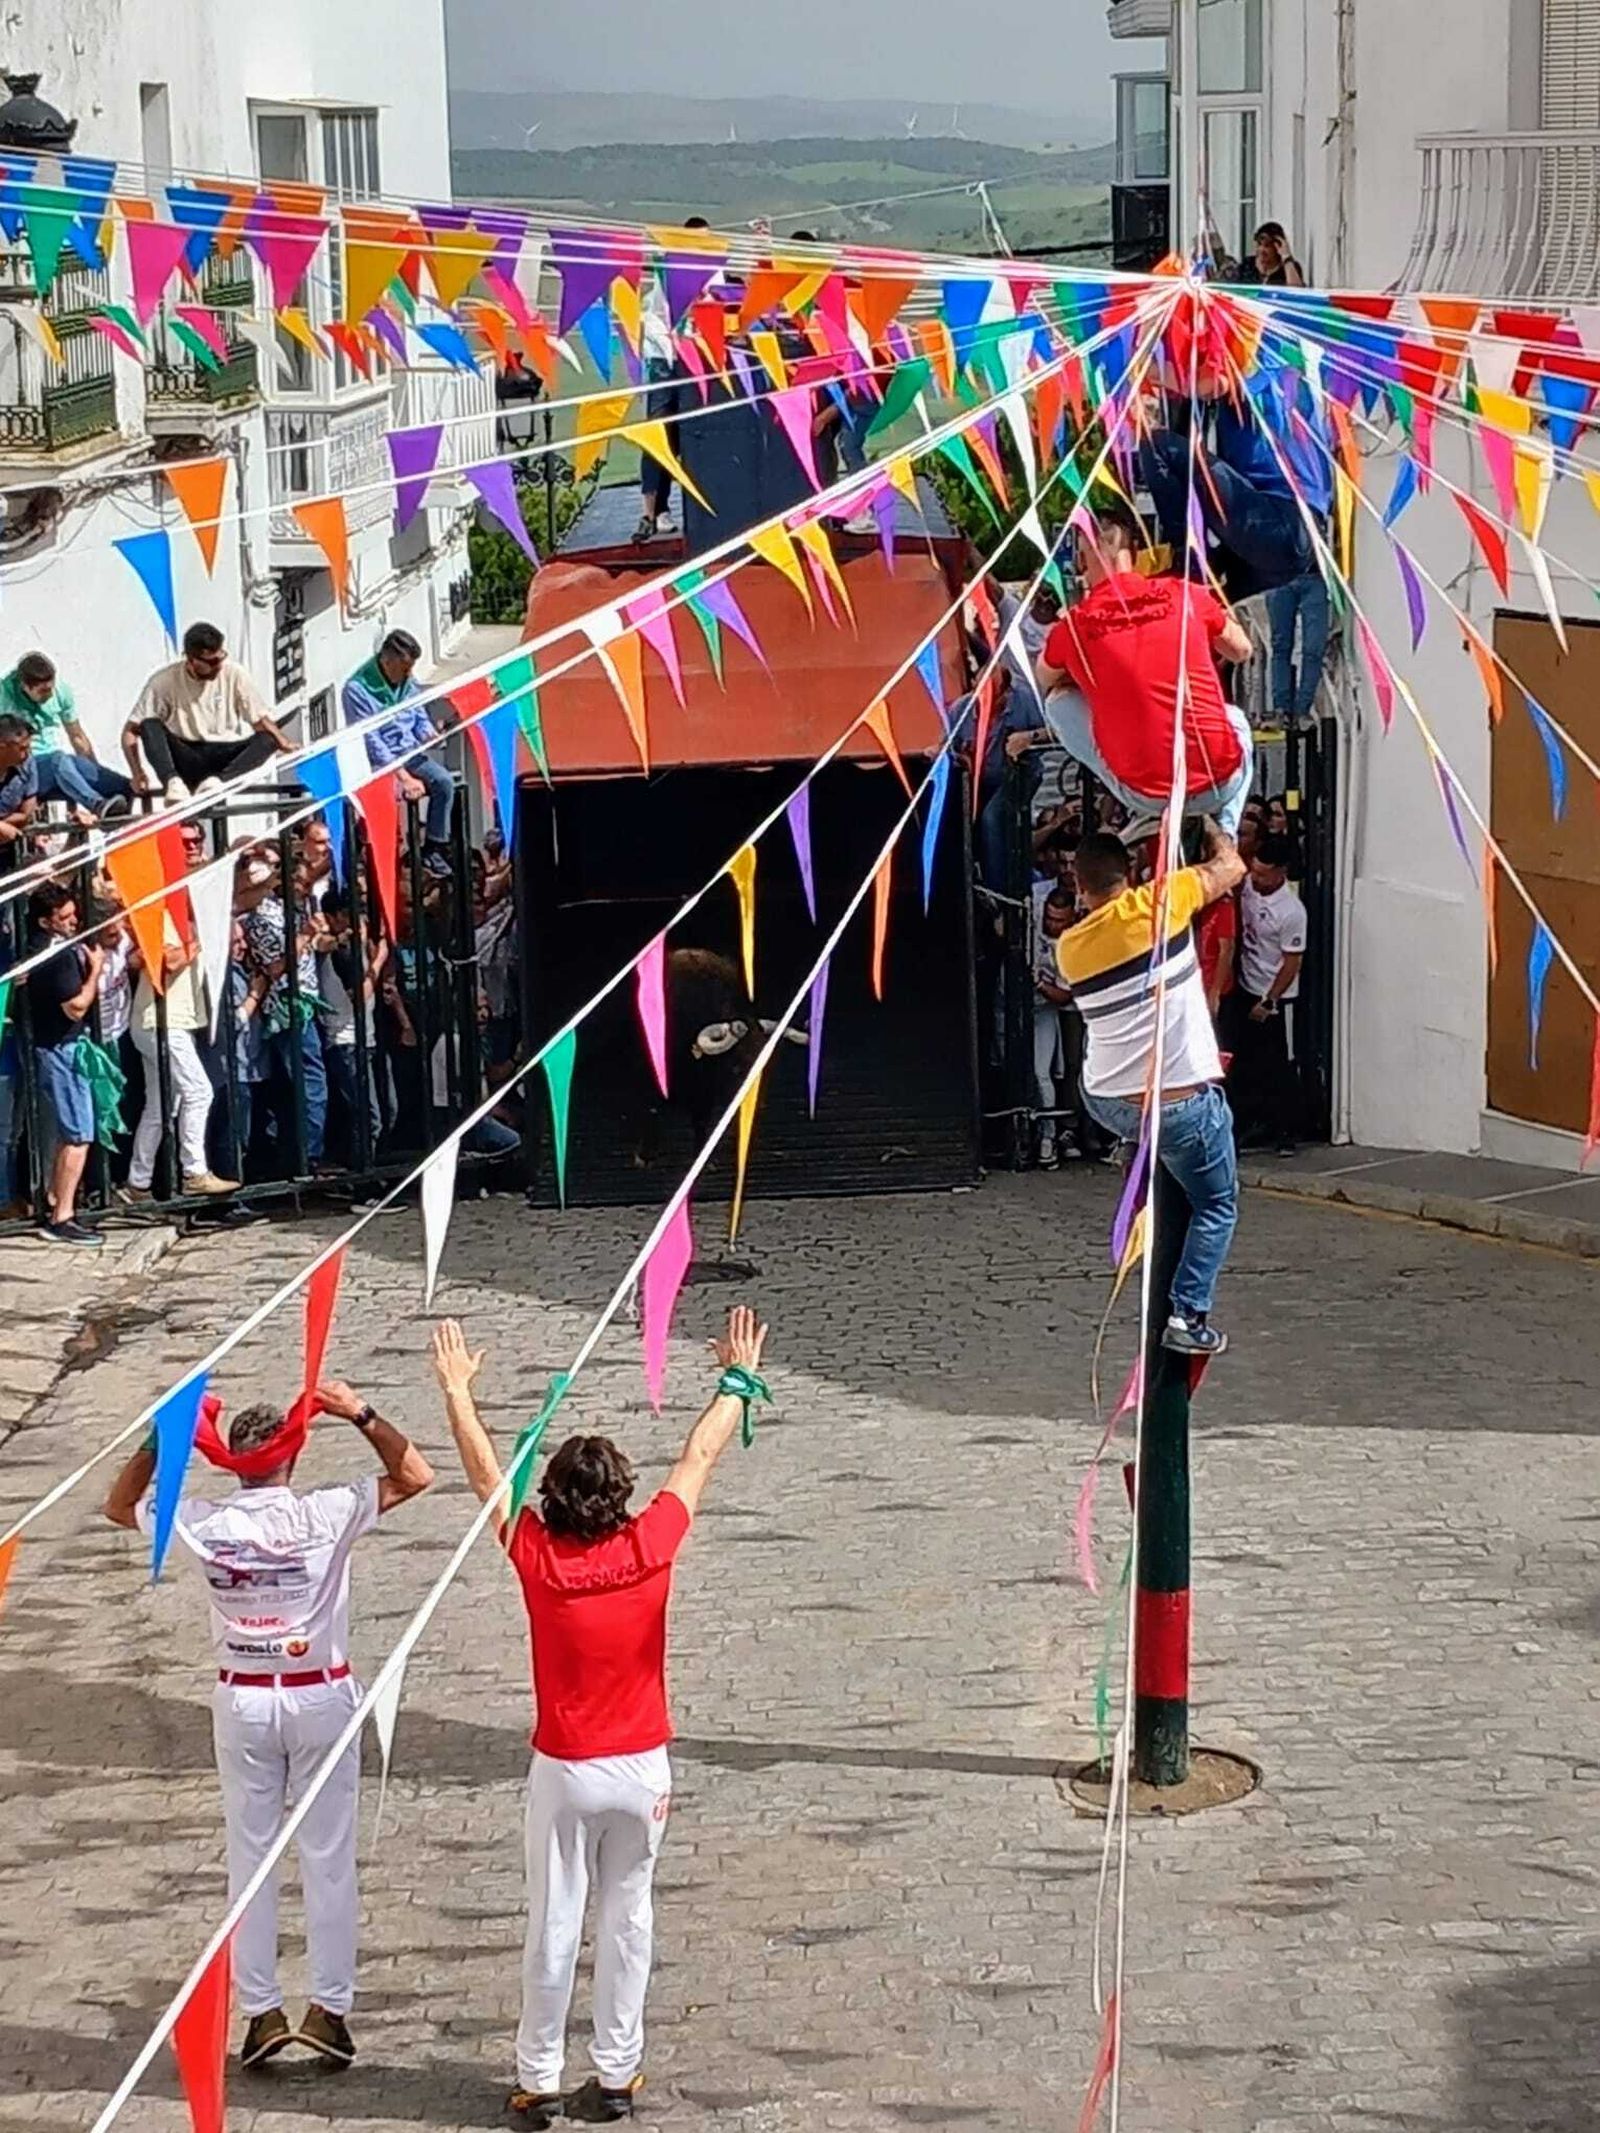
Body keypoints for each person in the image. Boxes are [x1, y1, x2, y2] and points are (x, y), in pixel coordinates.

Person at [432, 1305, 770, 2125]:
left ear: (552, 1498)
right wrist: (736, 1378)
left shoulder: (539, 1558)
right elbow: (698, 1454)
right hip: (641, 1765)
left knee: (555, 1917)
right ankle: (617, 2070)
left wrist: (458, 1393)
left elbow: (484, 1478)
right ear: (621, 1495)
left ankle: (539, 2074)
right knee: (629, 1915)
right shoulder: (651, 1545)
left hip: (566, 1765)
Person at [102, 1378, 434, 2069]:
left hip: (243, 1699)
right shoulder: (326, 1509)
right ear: (290, 1455)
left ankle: (260, 2013)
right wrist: (361, 1413)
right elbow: (415, 1474)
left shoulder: (203, 1520)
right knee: (328, 1857)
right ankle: (329, 2008)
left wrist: (159, 1440)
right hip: (320, 1696)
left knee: (250, 1860)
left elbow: (119, 1505)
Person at [1056, 822, 1247, 1357]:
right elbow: (1231, 870)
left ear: (1079, 885)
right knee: (1216, 1204)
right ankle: (1187, 1315)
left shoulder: (1070, 948)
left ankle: (1135, 1149)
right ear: (1131, 875)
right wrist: (1216, 826)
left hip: (1106, 1101)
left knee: (1149, 1130)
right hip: (1179, 1105)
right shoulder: (1161, 903)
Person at [1036, 502, 1256, 836]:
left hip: (1145, 795)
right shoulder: (1186, 595)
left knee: (1057, 704)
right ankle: (1227, 829)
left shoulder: (1075, 627)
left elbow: (1044, 678)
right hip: (1220, 781)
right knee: (1235, 718)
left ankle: (1142, 810)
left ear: (1081, 562)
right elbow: (1242, 650)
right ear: (1137, 551)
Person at [119, 819, 237, 1203]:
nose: (192, 849)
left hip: (173, 1021)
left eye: (196, 842)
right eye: (184, 843)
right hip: (159, 1021)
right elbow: (162, 962)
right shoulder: (163, 914)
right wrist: (197, 945)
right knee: (198, 1091)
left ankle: (136, 1183)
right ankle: (194, 1172)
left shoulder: (192, 915)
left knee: (161, 1104)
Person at [124, 624, 290, 805]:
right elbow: (130, 731)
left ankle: (219, 783)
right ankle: (173, 782)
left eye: (220, 658)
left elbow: (259, 719)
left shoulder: (234, 673)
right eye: (211, 663)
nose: (218, 666)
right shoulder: (164, 680)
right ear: (191, 660)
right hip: (186, 754)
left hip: (223, 753)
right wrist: (137, 772)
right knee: (149, 725)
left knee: (269, 738)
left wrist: (283, 742)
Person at [24, 882, 104, 1246]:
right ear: (46, 922)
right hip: (59, 1048)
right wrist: (96, 971)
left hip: (62, 1046)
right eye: (65, 917)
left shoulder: (51, 951)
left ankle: (60, 1203)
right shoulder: (52, 956)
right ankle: (62, 1216)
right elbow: (76, 1006)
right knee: (78, 1135)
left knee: (71, 1133)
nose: (73, 922)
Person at [341, 631, 455, 882]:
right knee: (383, 803)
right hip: (376, 764)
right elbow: (372, 742)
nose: (408, 675)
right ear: (386, 660)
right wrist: (402, 777)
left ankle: (435, 846)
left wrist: (428, 734)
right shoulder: (357, 689)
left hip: (411, 754)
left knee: (445, 782)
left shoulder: (408, 684)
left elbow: (418, 718)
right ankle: (365, 861)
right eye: (404, 668)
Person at [242, 853, 329, 1171]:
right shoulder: (261, 918)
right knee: (309, 1080)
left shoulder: (297, 909)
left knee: (304, 1081)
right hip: (287, 1006)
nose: (306, 889)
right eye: (301, 883)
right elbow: (274, 968)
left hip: (309, 1000)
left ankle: (303, 1152)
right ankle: (309, 1156)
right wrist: (304, 936)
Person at [1224, 833, 1307, 1157]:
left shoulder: (1291, 911)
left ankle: (1285, 1130)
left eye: (1262, 874)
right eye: (1254, 871)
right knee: (1246, 1061)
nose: (1255, 878)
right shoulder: (1248, 887)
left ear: (1280, 872)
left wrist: (1270, 1000)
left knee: (1278, 1065)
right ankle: (1251, 1123)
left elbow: (1292, 962)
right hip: (1245, 984)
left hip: (1272, 995)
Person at [1, 652, 133, 819]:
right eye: (43, 691)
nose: (49, 695)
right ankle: (97, 805)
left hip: (61, 764)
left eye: (51, 689)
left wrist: (95, 772)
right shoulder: (4, 697)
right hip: (26, 768)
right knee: (58, 759)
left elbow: (77, 736)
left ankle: (117, 821)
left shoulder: (60, 691)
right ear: (25, 686)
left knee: (120, 785)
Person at [1031, 884, 1076, 1169]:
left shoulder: (1073, 946)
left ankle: (1048, 1137)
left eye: (1060, 920)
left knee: (1041, 1073)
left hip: (1043, 1008)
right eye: (1050, 917)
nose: (1052, 924)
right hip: (1004, 1002)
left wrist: (1038, 982)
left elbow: (1064, 995)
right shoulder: (1032, 911)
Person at [0, 710, 40, 849]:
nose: (27, 754)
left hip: (9, 842)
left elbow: (25, 815)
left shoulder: (28, 765)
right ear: (2, 747)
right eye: (22, 748)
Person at [1248, 221, 1306, 288]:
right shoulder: (1247, 265)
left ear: (1277, 246)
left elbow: (1296, 292)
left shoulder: (1289, 267)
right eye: (1259, 244)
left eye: (1267, 246)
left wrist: (1286, 257)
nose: (1261, 250)